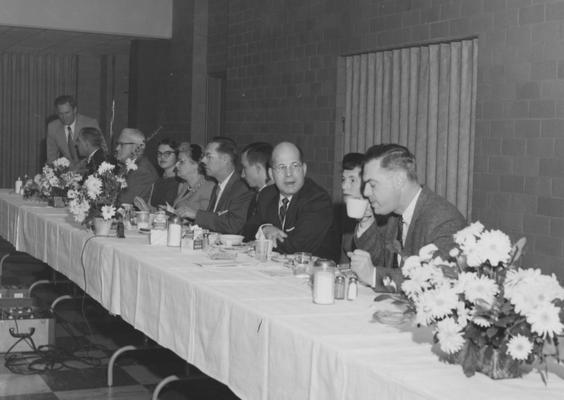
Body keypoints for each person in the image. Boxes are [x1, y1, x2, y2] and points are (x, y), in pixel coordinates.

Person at [350, 144, 466, 290]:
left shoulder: (443, 219)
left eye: (372, 185)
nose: (365, 192)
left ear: (399, 179)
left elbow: (435, 280)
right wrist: (366, 219)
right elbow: (376, 260)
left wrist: (374, 275)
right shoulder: (393, 213)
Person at [244, 142, 337, 259]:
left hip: (311, 272)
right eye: (281, 167)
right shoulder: (267, 195)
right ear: (271, 174)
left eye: (295, 166)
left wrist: (262, 242)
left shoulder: (317, 200)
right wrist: (265, 229)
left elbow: (298, 248)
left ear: (304, 169)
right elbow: (247, 230)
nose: (289, 174)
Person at [180, 137, 253, 234]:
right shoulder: (217, 186)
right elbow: (213, 223)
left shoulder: (242, 188)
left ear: (225, 159)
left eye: (209, 156)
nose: (203, 161)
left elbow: (233, 225)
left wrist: (196, 215)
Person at [340, 152, 386, 266]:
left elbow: (378, 264)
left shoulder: (384, 219)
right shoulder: (349, 215)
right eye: (343, 179)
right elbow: (344, 262)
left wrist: (366, 222)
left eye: (352, 180)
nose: (343, 186)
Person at [46, 95, 100, 164]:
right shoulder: (52, 127)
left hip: (90, 168)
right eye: (60, 114)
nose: (64, 117)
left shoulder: (90, 123)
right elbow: (51, 157)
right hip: (68, 171)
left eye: (67, 113)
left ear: (75, 110)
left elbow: (101, 152)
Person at [114, 128, 158, 204]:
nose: (117, 148)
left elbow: (124, 202)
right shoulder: (126, 166)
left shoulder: (143, 171)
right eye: (117, 144)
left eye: (121, 144)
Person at [240, 142, 274, 238]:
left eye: (245, 167)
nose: (242, 175)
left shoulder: (274, 198)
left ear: (258, 168)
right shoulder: (257, 194)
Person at [173, 143, 215, 214]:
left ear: (196, 165)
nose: (176, 165)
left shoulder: (208, 187)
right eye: (177, 161)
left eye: (181, 162)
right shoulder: (184, 185)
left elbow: (204, 218)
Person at [148, 139, 180, 209]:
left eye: (167, 153)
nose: (162, 157)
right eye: (159, 153)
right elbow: (152, 208)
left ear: (177, 156)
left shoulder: (181, 182)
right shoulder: (157, 182)